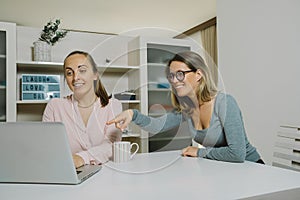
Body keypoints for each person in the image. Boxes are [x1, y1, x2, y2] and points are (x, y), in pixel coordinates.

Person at [107, 51, 264, 164]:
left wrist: (199, 151)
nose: (175, 80)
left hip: (252, 168)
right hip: (225, 169)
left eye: (180, 74)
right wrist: (132, 114)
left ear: (198, 74)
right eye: (171, 75)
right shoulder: (187, 109)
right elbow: (156, 126)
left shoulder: (225, 103)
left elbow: (237, 154)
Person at [43, 50, 122, 168]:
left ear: (95, 75)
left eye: (82, 71)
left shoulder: (112, 106)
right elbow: (47, 147)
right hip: (66, 171)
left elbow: (111, 146)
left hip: (105, 174)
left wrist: (81, 158)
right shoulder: (55, 106)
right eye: (69, 73)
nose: (75, 78)